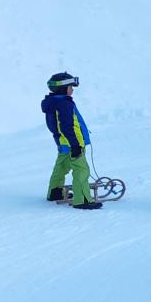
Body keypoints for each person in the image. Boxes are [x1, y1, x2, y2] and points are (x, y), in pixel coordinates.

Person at [42, 71, 100, 210]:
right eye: (70, 87)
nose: (72, 89)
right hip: (74, 142)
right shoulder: (64, 104)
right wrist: (75, 145)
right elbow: (67, 126)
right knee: (81, 169)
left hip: (63, 142)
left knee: (61, 168)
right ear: (63, 88)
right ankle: (83, 200)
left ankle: (55, 192)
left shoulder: (53, 103)